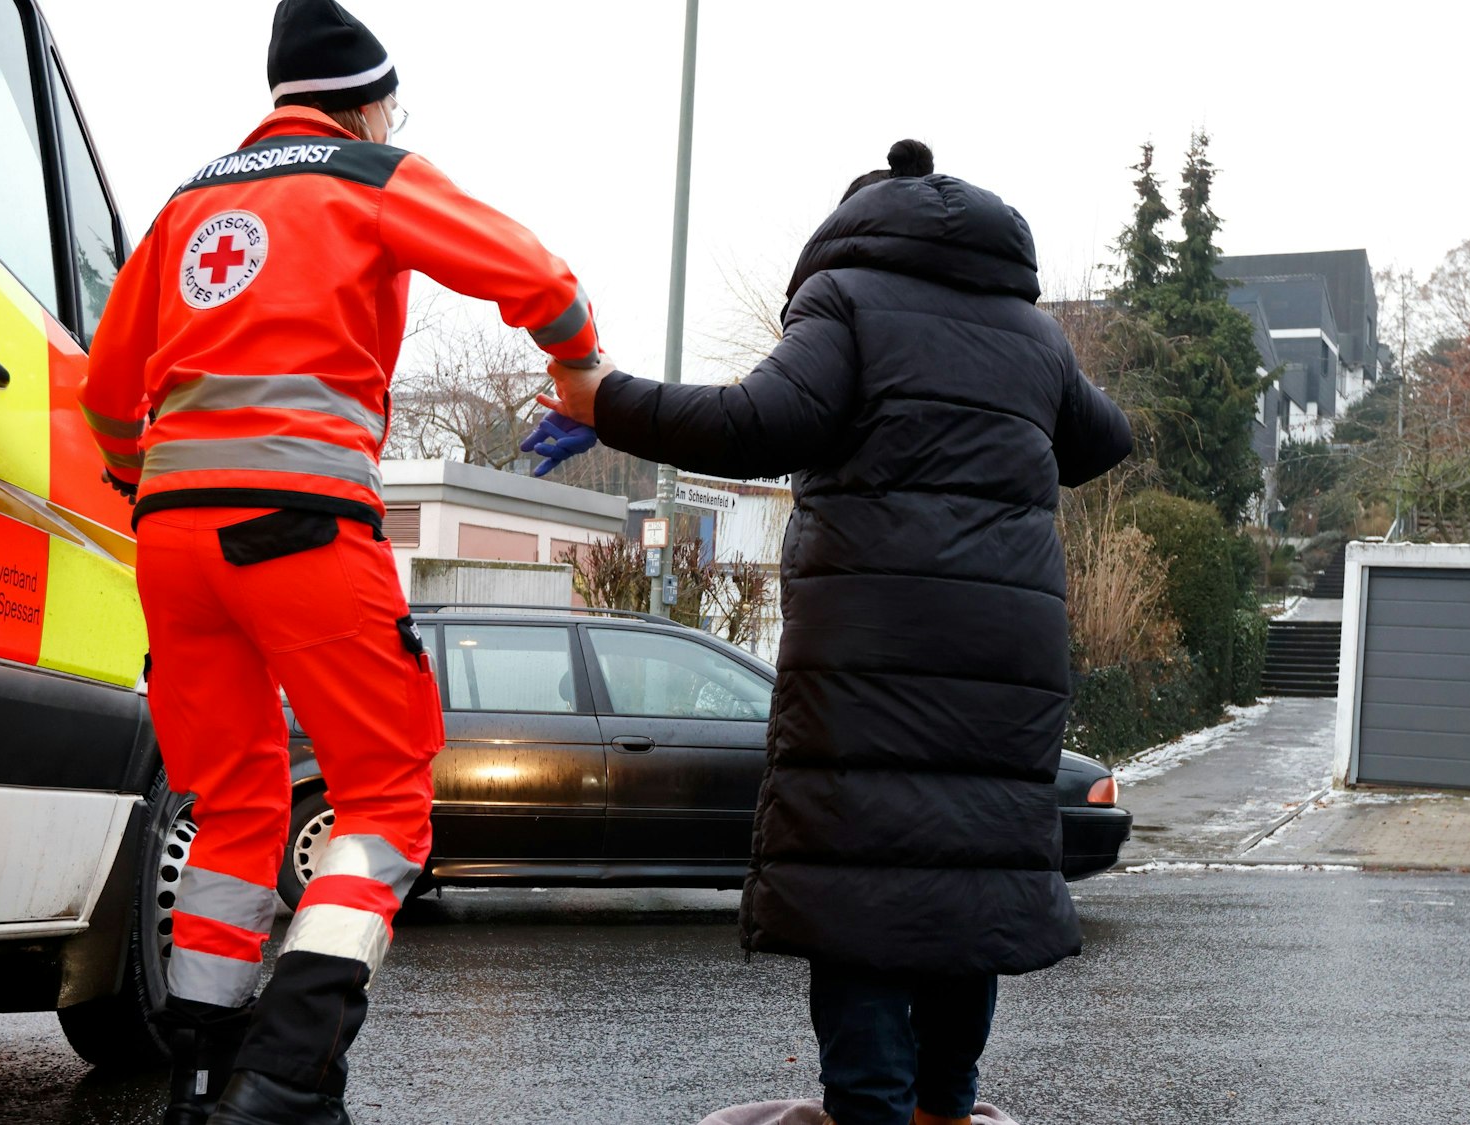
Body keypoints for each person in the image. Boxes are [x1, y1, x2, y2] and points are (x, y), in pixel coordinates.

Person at [79, 2, 603, 1122]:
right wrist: (578, 369)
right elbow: (539, 278)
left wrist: (146, 480)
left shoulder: (187, 203)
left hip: (173, 538)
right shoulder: (367, 173)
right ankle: (287, 1072)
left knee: (231, 807)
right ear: (365, 102)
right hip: (302, 527)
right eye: (390, 108)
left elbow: (107, 396)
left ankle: (203, 1079)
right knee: (385, 799)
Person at [542, 141, 1132, 1125]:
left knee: (861, 896)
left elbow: (753, 422)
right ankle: (945, 1109)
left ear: (855, 226)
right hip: (1005, 666)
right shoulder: (1033, 334)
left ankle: (870, 1107)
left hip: (872, 660)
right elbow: (1102, 438)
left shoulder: (847, 300)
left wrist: (604, 398)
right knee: (966, 892)